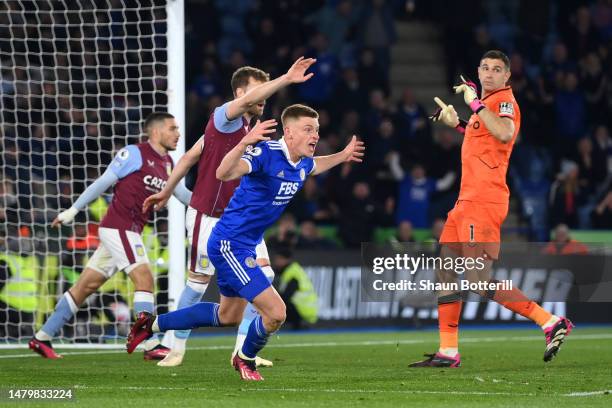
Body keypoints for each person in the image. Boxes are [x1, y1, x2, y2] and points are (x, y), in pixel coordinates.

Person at [127, 104, 364, 381]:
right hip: (229, 244)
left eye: (317, 130)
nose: (315, 136)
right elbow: (223, 173)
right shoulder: (266, 153)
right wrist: (244, 142)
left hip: (243, 244)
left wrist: (343, 155)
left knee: (227, 315)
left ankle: (149, 324)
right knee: (276, 312)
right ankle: (245, 358)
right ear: (288, 133)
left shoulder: (300, 162)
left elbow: (314, 166)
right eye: (308, 129)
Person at [142, 57, 316, 368]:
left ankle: (242, 351)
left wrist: (168, 191)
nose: (262, 97)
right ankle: (175, 347)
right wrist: (287, 78)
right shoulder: (224, 120)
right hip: (207, 215)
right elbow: (196, 159)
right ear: (239, 94)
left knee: (263, 276)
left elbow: (189, 157)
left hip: (238, 222)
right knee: (197, 283)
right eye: (256, 91)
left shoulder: (251, 128)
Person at [411, 50, 573, 368]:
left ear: (506, 76)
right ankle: (448, 350)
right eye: (484, 67)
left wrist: (473, 103)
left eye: (496, 69)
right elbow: (485, 137)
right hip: (466, 201)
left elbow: (504, 132)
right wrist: (457, 122)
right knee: (445, 268)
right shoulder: (485, 108)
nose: (488, 73)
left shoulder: (502, 102)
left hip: (484, 201)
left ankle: (550, 321)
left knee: (478, 280)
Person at [28, 113, 192, 360]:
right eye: (173, 128)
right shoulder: (133, 153)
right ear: (156, 132)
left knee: (85, 286)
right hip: (118, 226)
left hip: (129, 230)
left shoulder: (168, 162)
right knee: (145, 278)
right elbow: (103, 182)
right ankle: (149, 342)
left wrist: (217, 207)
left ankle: (42, 337)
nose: (178, 133)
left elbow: (184, 195)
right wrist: (72, 211)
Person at [272, 243, 318, 330]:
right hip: (306, 311)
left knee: (279, 302)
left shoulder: (293, 273)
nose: (276, 262)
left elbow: (286, 296)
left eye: (278, 259)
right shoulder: (293, 270)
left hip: (303, 311)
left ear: (286, 259)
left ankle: (298, 325)